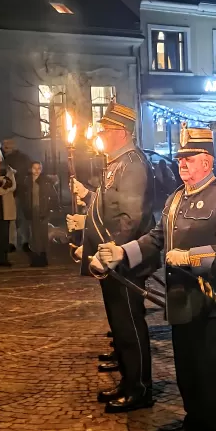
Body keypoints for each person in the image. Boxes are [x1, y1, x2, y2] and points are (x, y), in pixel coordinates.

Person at [98, 126, 216, 431]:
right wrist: (124, 253)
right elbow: (156, 238)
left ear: (207, 162)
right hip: (180, 297)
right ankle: (194, 419)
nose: (182, 164)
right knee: (186, 365)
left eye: (189, 159)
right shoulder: (176, 197)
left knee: (211, 365)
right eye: (180, 158)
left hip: (210, 298)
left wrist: (194, 257)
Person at [66, 103, 155, 412]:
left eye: (104, 131)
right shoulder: (116, 162)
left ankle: (140, 389)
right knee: (120, 325)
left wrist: (112, 252)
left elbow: (130, 217)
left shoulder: (131, 165)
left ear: (120, 133)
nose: (99, 135)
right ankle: (129, 381)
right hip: (113, 257)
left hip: (124, 260)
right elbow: (109, 207)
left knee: (129, 325)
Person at [20, 161, 58, 267]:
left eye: (39, 168)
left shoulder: (46, 182)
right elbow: (23, 197)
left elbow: (54, 197)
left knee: (42, 235)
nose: (36, 171)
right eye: (34, 168)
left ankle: (43, 257)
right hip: (31, 211)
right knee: (33, 235)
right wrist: (25, 210)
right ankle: (36, 257)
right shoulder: (27, 182)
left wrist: (50, 210)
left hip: (43, 211)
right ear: (30, 169)